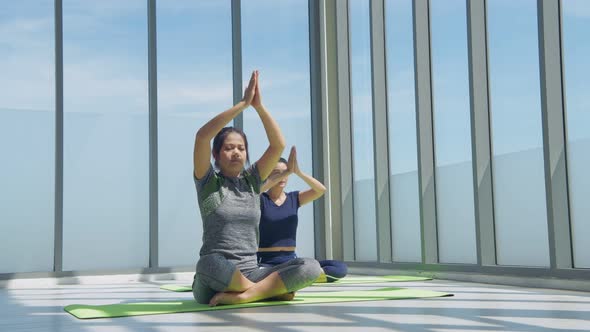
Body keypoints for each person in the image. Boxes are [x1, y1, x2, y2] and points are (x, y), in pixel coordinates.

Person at [192, 70, 322, 306]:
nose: (236, 153)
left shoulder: (252, 182)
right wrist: (242, 104)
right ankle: (266, 292)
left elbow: (278, 144)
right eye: (229, 148)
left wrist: (259, 107)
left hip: (252, 271)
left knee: (311, 267)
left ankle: (245, 296)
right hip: (215, 276)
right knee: (207, 263)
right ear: (216, 154)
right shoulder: (209, 183)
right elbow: (202, 137)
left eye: (241, 148)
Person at [258, 146, 348, 282]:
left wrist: (297, 172)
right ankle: (297, 278)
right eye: (276, 173)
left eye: (285, 173)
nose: (282, 177)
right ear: (268, 175)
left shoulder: (294, 198)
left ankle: (298, 277)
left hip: (291, 261)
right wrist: (284, 172)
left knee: (339, 268)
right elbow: (250, 193)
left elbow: (320, 190)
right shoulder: (260, 199)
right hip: (265, 263)